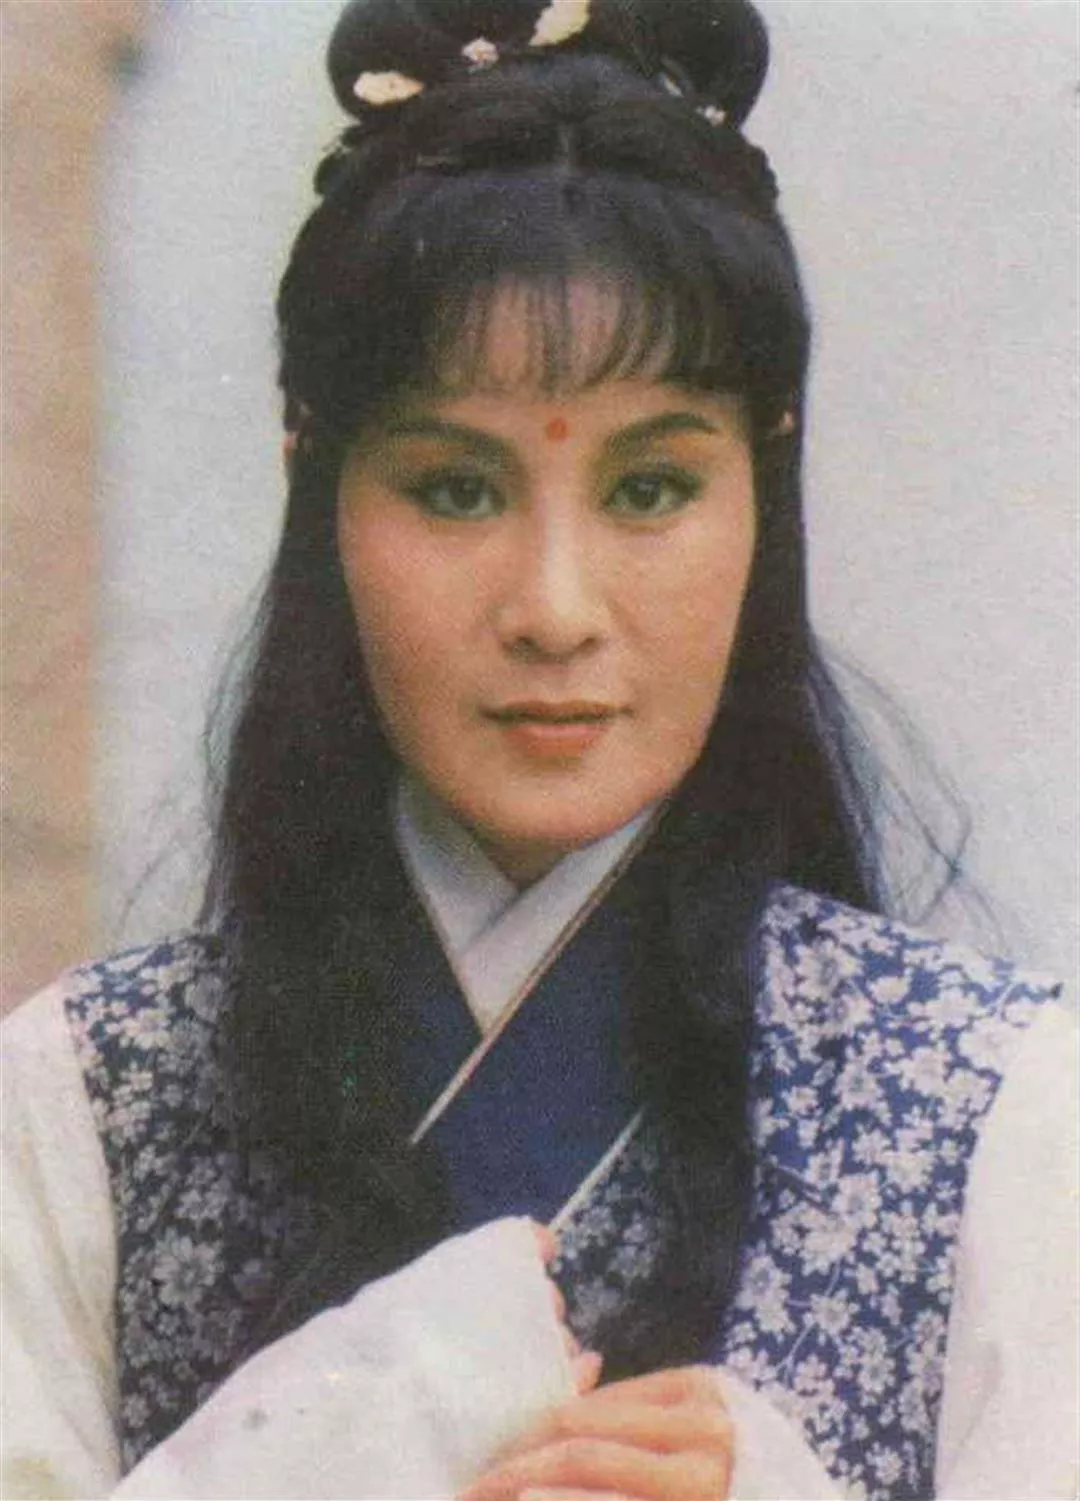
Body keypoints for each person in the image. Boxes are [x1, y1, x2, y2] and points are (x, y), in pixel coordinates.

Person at [2, 1, 1076, 1498]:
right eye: (455, 490)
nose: (555, 611)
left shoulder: (999, 1106)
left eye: (651, 491)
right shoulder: (82, 1101)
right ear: (321, 492)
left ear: (762, 494)